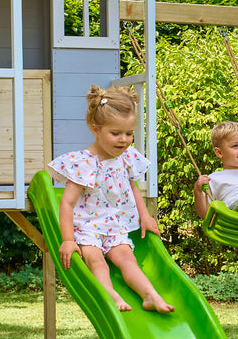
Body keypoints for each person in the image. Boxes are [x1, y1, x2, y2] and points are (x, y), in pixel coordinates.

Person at [48, 84, 174, 314]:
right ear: (95, 129)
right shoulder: (83, 163)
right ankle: (110, 293)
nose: (123, 140)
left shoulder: (126, 158)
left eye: (128, 133)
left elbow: (133, 187)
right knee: (95, 259)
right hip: (87, 226)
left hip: (115, 224)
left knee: (127, 259)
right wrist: (68, 239)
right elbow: (66, 203)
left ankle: (149, 295)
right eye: (115, 133)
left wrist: (145, 215)